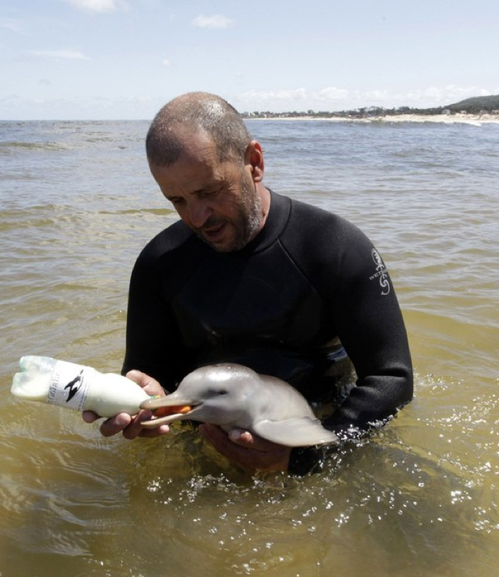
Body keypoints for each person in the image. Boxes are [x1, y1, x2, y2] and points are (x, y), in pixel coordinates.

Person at [83, 92, 413, 475]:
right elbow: (146, 372)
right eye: (177, 200)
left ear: (254, 162)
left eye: (209, 191)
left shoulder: (333, 248)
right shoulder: (159, 264)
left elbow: (391, 378)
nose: (197, 217)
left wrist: (303, 459)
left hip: (319, 432)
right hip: (205, 439)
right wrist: (143, 405)